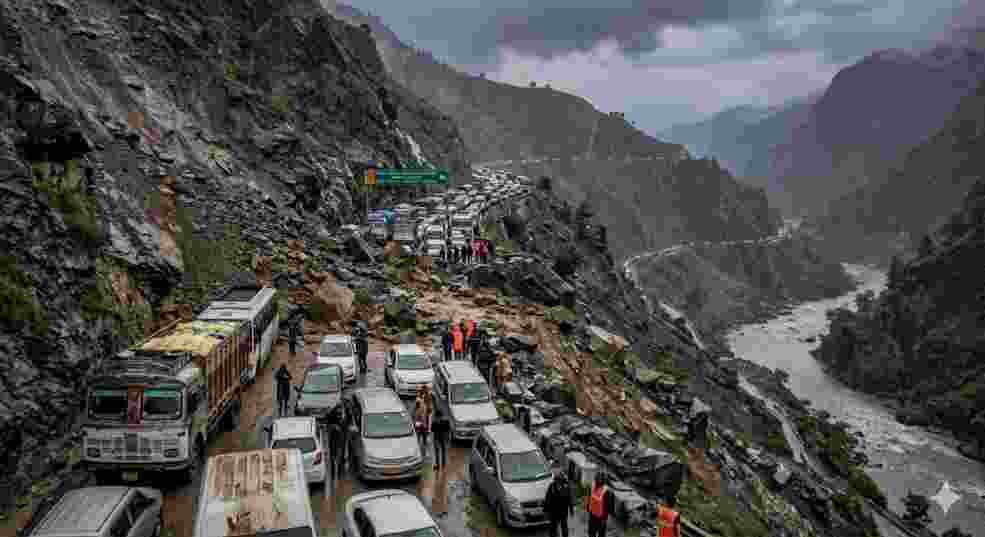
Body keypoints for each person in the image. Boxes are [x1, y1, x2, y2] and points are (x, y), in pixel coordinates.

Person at [585, 472, 615, 537]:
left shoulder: (604, 490)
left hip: (597, 516)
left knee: (595, 533)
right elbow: (608, 506)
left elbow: (608, 506)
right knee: (596, 533)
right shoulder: (603, 489)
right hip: (596, 516)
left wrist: (604, 518)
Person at [546, 470, 574, 537]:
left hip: (563, 511)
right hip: (554, 512)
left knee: (564, 527)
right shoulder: (552, 486)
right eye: (558, 480)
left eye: (561, 480)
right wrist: (546, 510)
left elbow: (569, 499)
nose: (559, 482)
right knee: (552, 528)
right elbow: (548, 498)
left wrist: (571, 510)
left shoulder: (566, 487)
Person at [326, 403, 347, 480]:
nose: (340, 415)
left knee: (340, 455)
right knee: (333, 455)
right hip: (334, 438)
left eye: (340, 413)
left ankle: (339, 472)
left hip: (342, 438)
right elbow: (327, 420)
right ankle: (333, 472)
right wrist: (333, 426)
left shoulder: (345, 416)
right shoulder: (332, 415)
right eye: (338, 414)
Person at [414, 385, 433, 452]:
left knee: (423, 433)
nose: (426, 391)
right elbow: (416, 409)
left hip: (424, 420)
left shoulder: (427, 397)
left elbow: (430, 409)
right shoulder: (419, 399)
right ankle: (419, 447)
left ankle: (424, 447)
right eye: (425, 390)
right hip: (420, 419)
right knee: (419, 433)